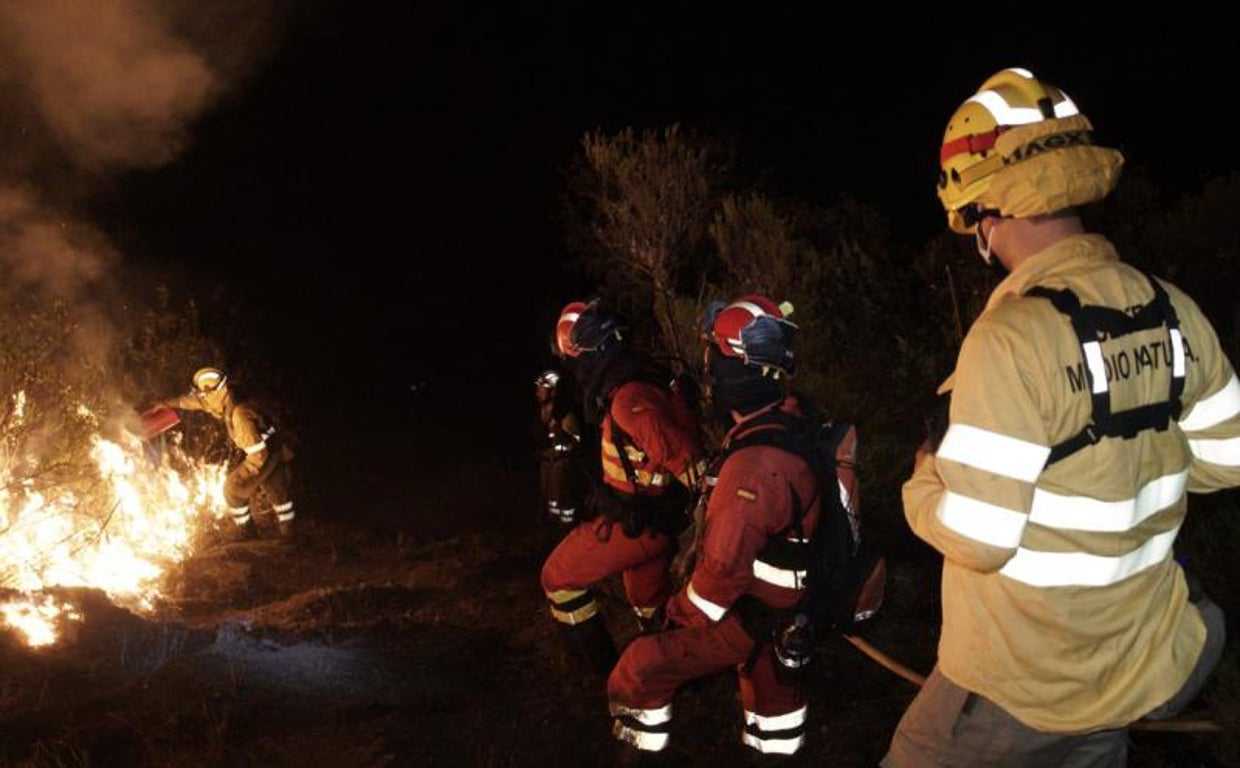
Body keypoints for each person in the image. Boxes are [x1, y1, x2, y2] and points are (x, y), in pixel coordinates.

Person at [882, 67, 1240, 766]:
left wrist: (921, 488)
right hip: (1128, 664)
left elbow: (983, 539)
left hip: (1018, 685)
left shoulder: (1010, 339)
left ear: (984, 209)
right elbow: (1228, 462)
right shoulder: (1174, 310)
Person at [607, 295, 859, 764]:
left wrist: (671, 620)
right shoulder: (792, 416)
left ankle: (638, 753)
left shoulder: (754, 467)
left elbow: (718, 581)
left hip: (753, 612)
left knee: (640, 668)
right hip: (794, 607)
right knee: (776, 721)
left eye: (714, 357)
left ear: (732, 369)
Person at [540, 298, 706, 679]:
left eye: (573, 360)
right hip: (653, 522)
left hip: (638, 524)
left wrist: (706, 536)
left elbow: (689, 462)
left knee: (557, 578)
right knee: (649, 604)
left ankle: (602, 675)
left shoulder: (628, 398)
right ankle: (678, 680)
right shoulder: (639, 379)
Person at [154, 367, 297, 540]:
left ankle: (247, 532)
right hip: (274, 446)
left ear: (216, 391)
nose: (202, 398)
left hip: (266, 452)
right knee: (278, 491)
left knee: (232, 490)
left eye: (204, 394)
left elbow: (259, 455)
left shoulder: (239, 415)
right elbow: (193, 402)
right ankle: (290, 534)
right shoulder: (226, 397)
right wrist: (167, 404)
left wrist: (247, 475)